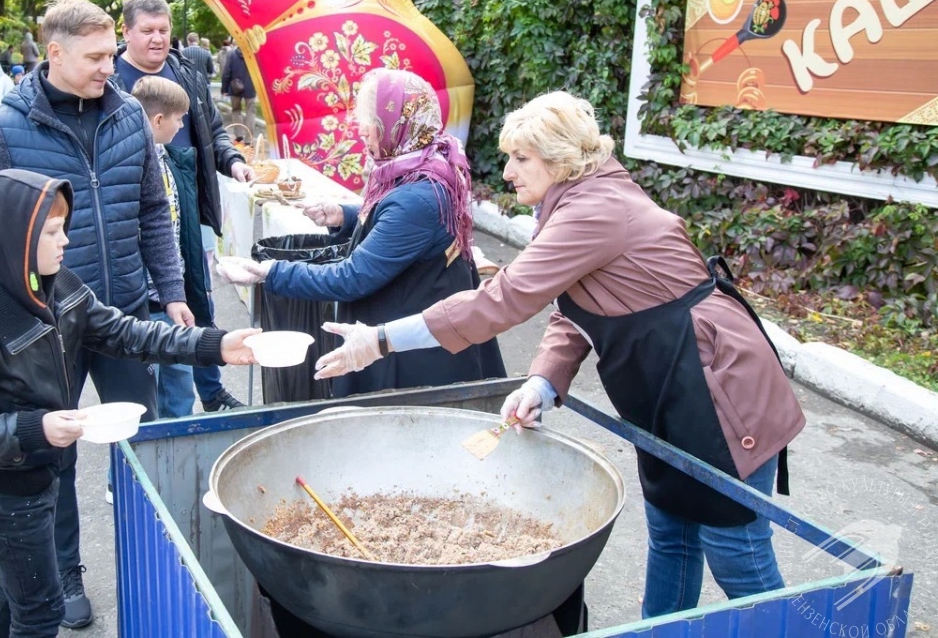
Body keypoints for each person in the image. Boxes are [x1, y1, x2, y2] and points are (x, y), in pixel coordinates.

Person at [314, 91, 806, 617]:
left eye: (521, 158)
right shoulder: (578, 198)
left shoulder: (594, 210)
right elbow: (575, 307)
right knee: (672, 536)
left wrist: (381, 339)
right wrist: (543, 381)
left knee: (737, 556)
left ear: (561, 156)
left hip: (720, 390)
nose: (507, 173)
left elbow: (501, 299)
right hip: (673, 389)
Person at [0, 168, 257, 638]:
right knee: (39, 611)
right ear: (12, 238)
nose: (65, 241)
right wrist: (32, 429)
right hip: (2, 490)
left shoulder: (58, 287)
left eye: (64, 227)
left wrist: (213, 345)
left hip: (41, 473)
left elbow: (127, 332)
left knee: (20, 579)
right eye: (52, 232)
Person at [0, 0, 188, 628]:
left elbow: (152, 209)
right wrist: (3, 331)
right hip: (44, 328)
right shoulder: (5, 129)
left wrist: (169, 290)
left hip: (122, 316)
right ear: (54, 53)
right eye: (94, 57)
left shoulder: (127, 116)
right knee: (50, 455)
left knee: (141, 441)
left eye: (109, 53)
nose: (107, 66)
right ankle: (63, 573)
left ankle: (156, 553)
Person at [218, 68, 506, 395]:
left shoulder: (417, 197)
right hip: (415, 327)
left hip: (414, 354)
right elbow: (396, 226)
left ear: (398, 125)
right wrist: (347, 216)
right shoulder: (422, 163)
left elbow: (353, 277)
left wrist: (270, 272)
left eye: (372, 120)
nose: (362, 129)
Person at [113, 0, 254, 414]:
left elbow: (213, 129)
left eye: (164, 30)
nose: (158, 39)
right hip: (140, 216)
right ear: (127, 31)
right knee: (156, 308)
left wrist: (232, 161)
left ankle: (210, 390)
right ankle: (157, 406)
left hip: (190, 209)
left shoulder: (186, 71)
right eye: (148, 31)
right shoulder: (112, 80)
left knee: (198, 299)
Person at [132, 75, 215, 418]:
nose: (182, 126)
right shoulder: (135, 163)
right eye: (179, 119)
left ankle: (179, 440)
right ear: (158, 120)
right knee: (157, 384)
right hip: (145, 298)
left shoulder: (168, 158)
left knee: (180, 374)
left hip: (171, 292)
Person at [221, 44, 257, 132]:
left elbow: (226, 73)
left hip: (235, 87)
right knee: (250, 112)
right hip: (251, 87)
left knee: (236, 111)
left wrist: (224, 89)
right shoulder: (254, 54)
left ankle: (239, 136)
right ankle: (249, 139)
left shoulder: (232, 54)